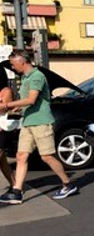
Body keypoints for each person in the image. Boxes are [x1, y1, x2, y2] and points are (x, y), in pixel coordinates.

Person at [0, 50, 77, 204]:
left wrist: (8, 105)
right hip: (28, 122)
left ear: (22, 62)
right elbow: (26, 103)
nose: (13, 68)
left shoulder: (37, 76)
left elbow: (32, 99)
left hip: (41, 122)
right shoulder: (25, 78)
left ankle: (68, 183)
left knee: (47, 156)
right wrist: (18, 109)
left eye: (14, 64)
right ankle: (17, 191)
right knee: (21, 156)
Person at [0, 66, 19, 188]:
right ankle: (15, 185)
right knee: (2, 161)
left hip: (3, 128)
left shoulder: (6, 90)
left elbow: (3, 107)